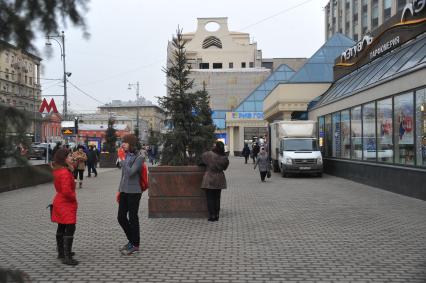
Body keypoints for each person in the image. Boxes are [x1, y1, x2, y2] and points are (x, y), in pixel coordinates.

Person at [117, 134, 144, 255]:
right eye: (122, 142)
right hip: (124, 191)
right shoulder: (126, 155)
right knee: (121, 217)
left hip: (134, 192)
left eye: (125, 142)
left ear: (131, 143)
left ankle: (135, 244)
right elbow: (123, 175)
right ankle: (131, 240)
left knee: (133, 218)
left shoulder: (140, 157)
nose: (123, 144)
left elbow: (130, 173)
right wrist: (120, 190)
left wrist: (122, 159)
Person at [51, 148, 79, 265]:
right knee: (70, 228)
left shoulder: (58, 170)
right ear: (64, 159)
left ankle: (61, 252)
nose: (71, 158)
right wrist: (74, 198)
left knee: (61, 226)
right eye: (69, 156)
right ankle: (67, 257)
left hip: (59, 201)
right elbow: (67, 191)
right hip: (66, 203)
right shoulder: (65, 173)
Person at [200, 141, 229, 222]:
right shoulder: (224, 157)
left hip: (209, 178)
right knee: (217, 198)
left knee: (210, 198)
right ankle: (216, 215)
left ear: (216, 147)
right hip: (219, 178)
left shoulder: (209, 154)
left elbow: (202, 159)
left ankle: (212, 215)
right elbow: (225, 168)